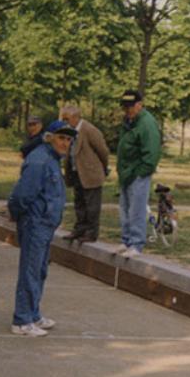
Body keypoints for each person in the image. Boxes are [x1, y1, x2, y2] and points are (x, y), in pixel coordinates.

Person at [7, 119, 75, 336]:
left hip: (45, 224)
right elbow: (22, 195)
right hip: (35, 223)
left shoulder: (52, 159)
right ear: (49, 137)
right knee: (30, 270)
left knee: (39, 270)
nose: (65, 143)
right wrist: (22, 218)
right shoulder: (40, 160)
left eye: (68, 139)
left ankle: (33, 314)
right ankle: (22, 320)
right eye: (61, 138)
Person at [114, 89, 161, 257]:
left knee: (136, 210)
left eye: (130, 107)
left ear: (139, 105)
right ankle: (126, 240)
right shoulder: (129, 121)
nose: (127, 110)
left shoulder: (146, 123)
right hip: (126, 173)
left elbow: (152, 152)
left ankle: (136, 243)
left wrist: (141, 172)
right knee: (125, 209)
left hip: (137, 173)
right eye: (125, 107)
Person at [60, 103, 110, 243]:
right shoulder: (70, 130)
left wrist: (102, 167)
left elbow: (103, 151)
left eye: (67, 118)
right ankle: (79, 229)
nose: (65, 122)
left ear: (76, 117)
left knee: (92, 205)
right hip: (77, 172)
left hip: (90, 173)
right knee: (79, 202)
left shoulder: (89, 130)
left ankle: (91, 232)